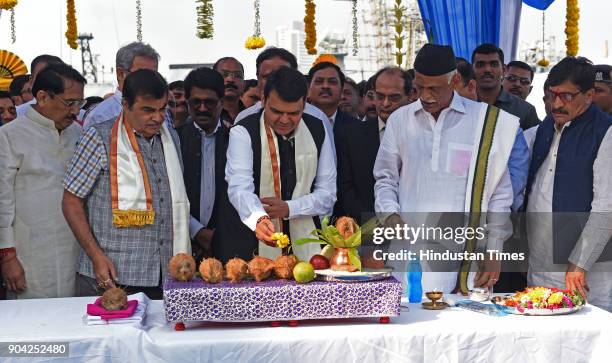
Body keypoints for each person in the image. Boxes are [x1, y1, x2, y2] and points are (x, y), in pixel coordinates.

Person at [374, 44, 518, 294]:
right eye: (420, 87)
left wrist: (494, 249)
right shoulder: (400, 120)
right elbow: (385, 178)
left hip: (469, 254)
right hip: (411, 248)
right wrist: (389, 214)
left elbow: (499, 194)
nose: (426, 96)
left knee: (469, 331)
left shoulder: (486, 121)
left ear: (456, 80)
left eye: (434, 88)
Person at [62, 69, 190, 299]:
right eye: (148, 110)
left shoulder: (170, 138)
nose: (158, 118)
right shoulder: (99, 137)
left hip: (166, 273)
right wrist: (96, 257)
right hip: (112, 275)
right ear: (125, 105)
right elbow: (71, 201)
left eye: (162, 109)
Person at [219, 67, 336, 263]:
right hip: (252, 245)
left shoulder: (317, 128)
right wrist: (258, 218)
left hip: (309, 246)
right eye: (276, 111)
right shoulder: (243, 131)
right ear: (263, 100)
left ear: (305, 103)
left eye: (293, 113)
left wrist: (290, 208)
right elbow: (239, 187)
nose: (284, 120)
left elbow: (328, 194)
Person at [525, 57, 612, 312]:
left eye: (566, 96)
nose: (556, 104)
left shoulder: (605, 133)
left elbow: (606, 207)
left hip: (584, 276)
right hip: (540, 269)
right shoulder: (545, 129)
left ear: (589, 95)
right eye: (552, 95)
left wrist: (580, 263)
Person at [0, 63, 85, 299]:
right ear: (43, 97)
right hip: (28, 254)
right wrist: (7, 257)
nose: (76, 111)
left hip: (76, 250)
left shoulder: (79, 134)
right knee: (33, 326)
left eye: (80, 103)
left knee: (75, 321)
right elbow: (2, 203)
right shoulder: (9, 136)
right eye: (70, 103)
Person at [336, 67, 411, 223]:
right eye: (380, 96)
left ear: (410, 96)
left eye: (394, 97)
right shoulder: (351, 135)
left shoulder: (422, 135)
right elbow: (346, 188)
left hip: (415, 227)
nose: (385, 103)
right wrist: (375, 224)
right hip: (366, 229)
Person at [234, 47, 335, 154]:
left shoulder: (317, 118)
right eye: (267, 76)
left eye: (282, 75)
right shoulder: (243, 119)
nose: (274, 81)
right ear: (257, 78)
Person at [175, 68, 229, 264]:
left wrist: (219, 235)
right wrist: (197, 231)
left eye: (210, 102)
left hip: (228, 244)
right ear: (187, 103)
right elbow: (168, 194)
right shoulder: (174, 139)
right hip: (183, 243)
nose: (203, 108)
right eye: (195, 102)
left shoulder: (236, 138)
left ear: (222, 103)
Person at [83, 42, 160, 130]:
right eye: (142, 75)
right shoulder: (101, 117)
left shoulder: (162, 112)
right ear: (120, 74)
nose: (150, 81)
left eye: (154, 75)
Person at [473, 43, 540, 130]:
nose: (487, 70)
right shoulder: (461, 104)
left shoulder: (526, 110)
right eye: (480, 65)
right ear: (472, 69)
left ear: (504, 70)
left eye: (494, 64)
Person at [307, 61, 360, 137]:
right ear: (308, 90)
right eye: (319, 81)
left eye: (332, 82)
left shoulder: (358, 129)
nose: (325, 86)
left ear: (341, 91)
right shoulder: (294, 123)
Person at [213, 57, 246, 127]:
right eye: (224, 75)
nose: (231, 79)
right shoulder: (204, 117)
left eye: (237, 75)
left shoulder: (252, 116)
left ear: (243, 84)